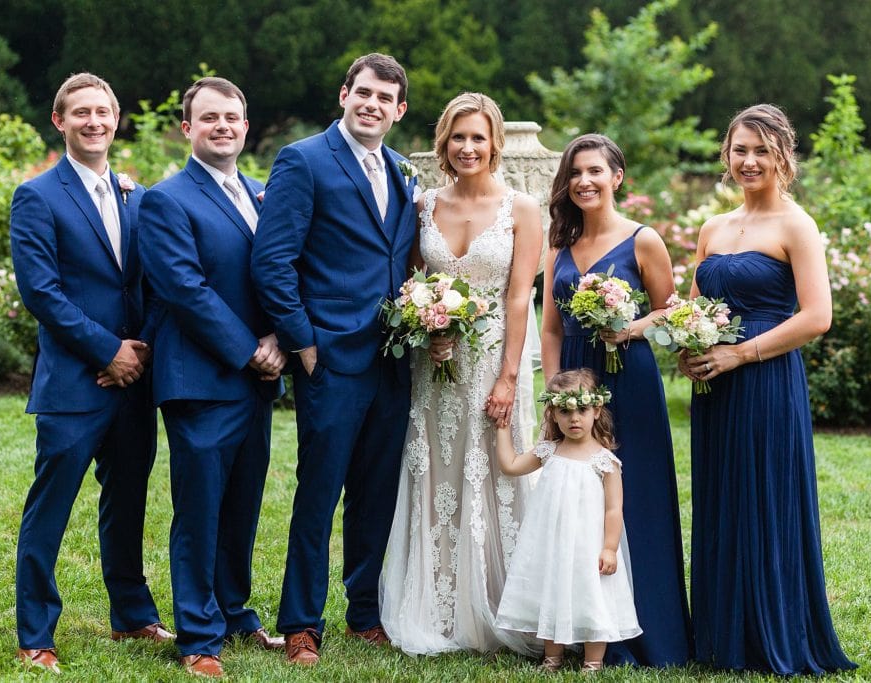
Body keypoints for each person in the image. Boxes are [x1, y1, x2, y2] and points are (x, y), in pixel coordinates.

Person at [250, 53, 419, 665]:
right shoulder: (303, 160)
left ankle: (365, 612)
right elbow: (273, 261)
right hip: (331, 358)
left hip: (394, 362)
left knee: (376, 494)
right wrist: (304, 341)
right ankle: (300, 622)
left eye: (385, 99)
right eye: (363, 93)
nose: (372, 105)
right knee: (318, 494)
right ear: (344, 93)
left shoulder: (403, 172)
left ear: (399, 111)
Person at [681, 104, 856, 675]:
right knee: (722, 495)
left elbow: (818, 316)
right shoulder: (713, 228)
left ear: (784, 155)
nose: (749, 160)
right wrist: (687, 342)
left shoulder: (796, 226)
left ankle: (771, 632)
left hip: (765, 377)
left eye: (761, 150)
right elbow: (694, 305)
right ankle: (720, 635)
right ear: (726, 157)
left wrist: (740, 352)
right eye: (740, 150)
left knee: (765, 497)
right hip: (716, 388)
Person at [10, 72, 171, 674]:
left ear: (116, 118)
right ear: (60, 122)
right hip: (76, 383)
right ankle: (35, 633)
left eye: (103, 112)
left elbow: (158, 280)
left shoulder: (139, 195)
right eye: (81, 113)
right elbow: (43, 293)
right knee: (49, 508)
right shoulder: (37, 196)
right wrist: (108, 352)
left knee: (126, 504)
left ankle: (132, 615)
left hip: (135, 382)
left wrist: (143, 350)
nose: (94, 122)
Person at [378, 92, 543, 656]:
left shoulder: (522, 209)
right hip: (437, 364)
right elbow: (410, 286)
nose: (468, 147)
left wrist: (508, 378)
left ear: (495, 143)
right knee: (437, 471)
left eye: (478, 137)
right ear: (443, 142)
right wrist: (428, 327)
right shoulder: (423, 204)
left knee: (497, 473)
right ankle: (438, 606)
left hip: (496, 360)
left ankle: (504, 603)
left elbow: (520, 296)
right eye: (458, 137)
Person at [138, 77, 285, 678]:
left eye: (232, 116)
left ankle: (233, 611)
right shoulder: (166, 200)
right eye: (210, 118)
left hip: (257, 378)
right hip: (200, 378)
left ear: (245, 126)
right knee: (199, 509)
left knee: (243, 505)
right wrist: (250, 349)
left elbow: (279, 271)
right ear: (187, 128)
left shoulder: (262, 192)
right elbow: (184, 289)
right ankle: (198, 635)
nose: (222, 126)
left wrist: (279, 335)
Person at [540, 134, 692, 667]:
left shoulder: (643, 240)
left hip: (630, 381)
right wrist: (554, 399)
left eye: (596, 171)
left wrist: (627, 330)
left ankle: (651, 635)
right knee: (578, 507)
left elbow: (670, 310)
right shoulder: (557, 245)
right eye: (576, 172)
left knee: (637, 498)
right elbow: (552, 329)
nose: (584, 181)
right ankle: (584, 629)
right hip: (575, 389)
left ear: (616, 177)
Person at [493, 369, 642, 672]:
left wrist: (610, 548)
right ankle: (552, 657)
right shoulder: (549, 451)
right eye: (565, 411)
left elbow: (614, 509)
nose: (574, 418)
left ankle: (593, 661)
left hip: (589, 547)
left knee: (592, 595)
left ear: (596, 410)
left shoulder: (605, 461)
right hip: (553, 543)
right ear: (553, 414)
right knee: (553, 591)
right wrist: (502, 428)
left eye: (582, 410)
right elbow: (510, 465)